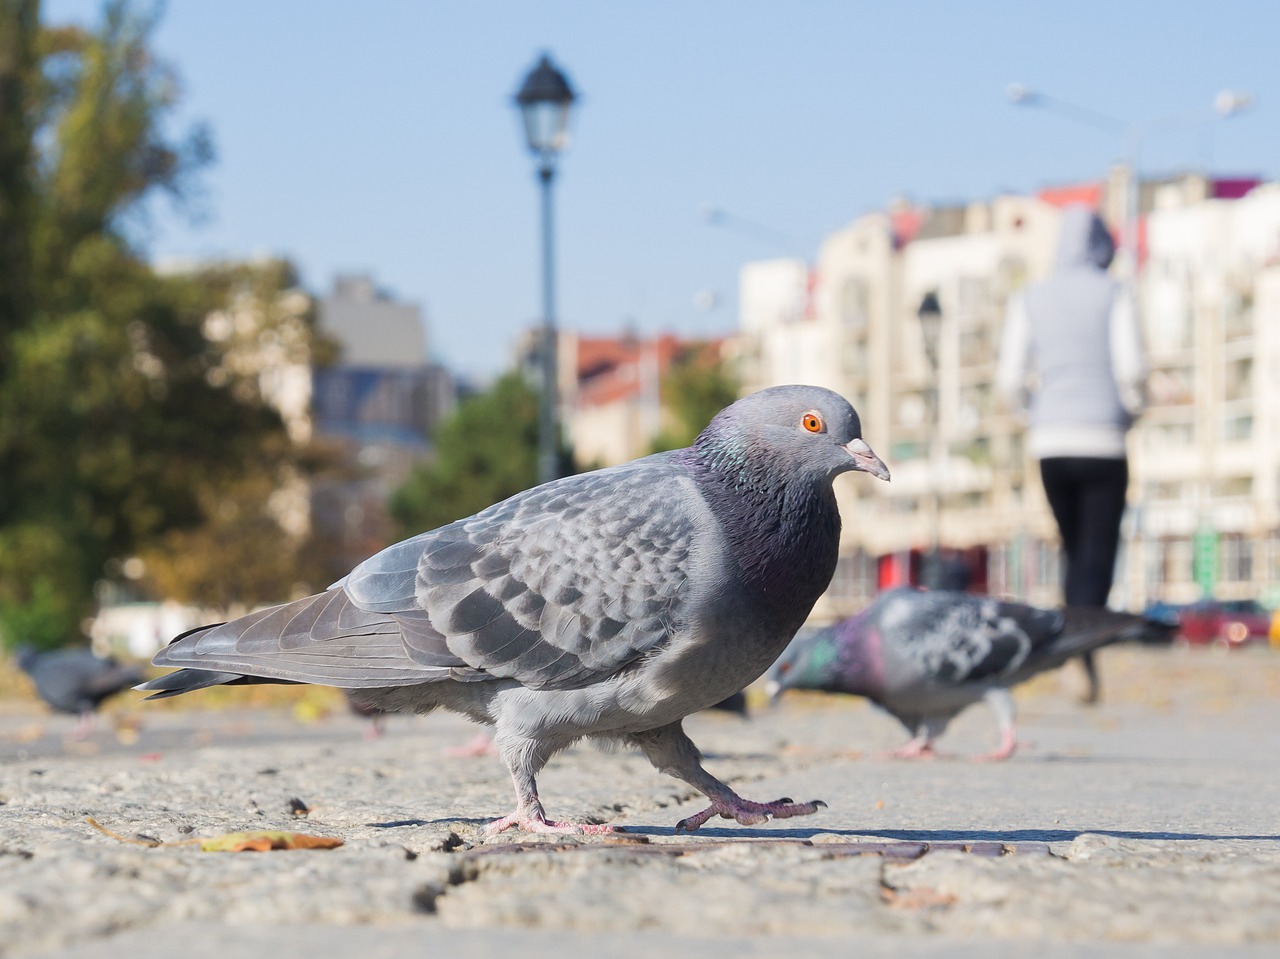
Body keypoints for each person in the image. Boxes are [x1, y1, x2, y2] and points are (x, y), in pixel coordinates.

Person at [996, 205, 1147, 703]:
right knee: (1096, 555)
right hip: (1103, 439)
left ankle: (1072, 652)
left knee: (1071, 547)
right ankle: (1081, 656)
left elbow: (1009, 379)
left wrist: (1034, 416)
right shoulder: (1114, 292)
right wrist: (1132, 412)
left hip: (1050, 442)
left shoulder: (1031, 297)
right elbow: (1133, 370)